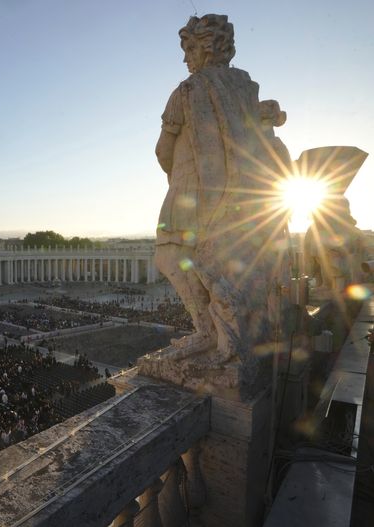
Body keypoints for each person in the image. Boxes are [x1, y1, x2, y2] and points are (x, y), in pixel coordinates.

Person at [153, 14, 289, 361]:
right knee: (212, 262)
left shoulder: (187, 90)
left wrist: (177, 175)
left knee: (171, 256)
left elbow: (162, 151)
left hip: (189, 190)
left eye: (189, 50)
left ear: (204, 49)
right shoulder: (244, 87)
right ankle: (227, 332)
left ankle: (207, 331)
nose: (186, 59)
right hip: (235, 194)